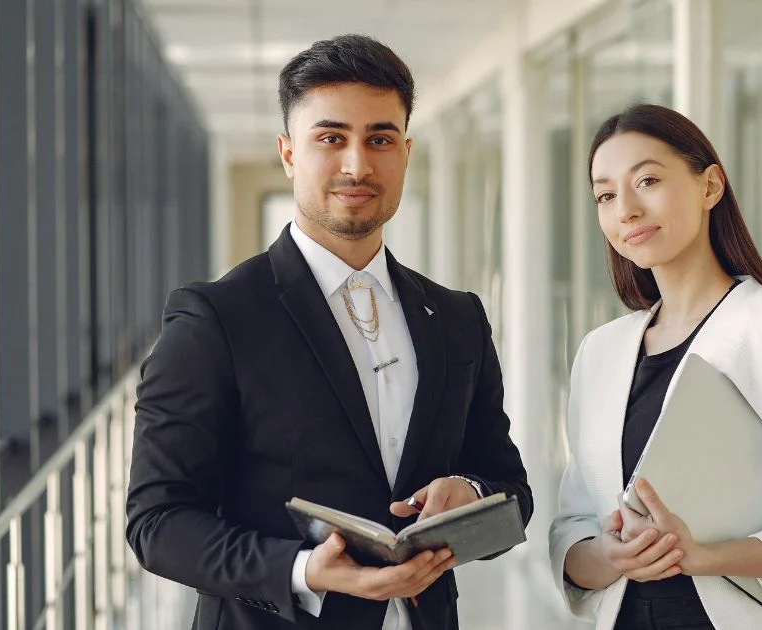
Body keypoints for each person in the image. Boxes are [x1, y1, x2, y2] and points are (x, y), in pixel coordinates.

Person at [126, 34, 532, 630]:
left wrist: (470, 493)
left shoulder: (457, 318)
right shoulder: (215, 319)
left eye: (380, 139)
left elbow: (512, 492)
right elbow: (156, 522)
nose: (357, 165)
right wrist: (303, 570)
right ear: (289, 153)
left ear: (406, 151)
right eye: (331, 138)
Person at [548, 103, 762, 630]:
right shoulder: (600, 352)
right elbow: (572, 527)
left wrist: (703, 554)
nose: (626, 210)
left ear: (710, 187)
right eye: (606, 195)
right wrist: (610, 556)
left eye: (648, 180)